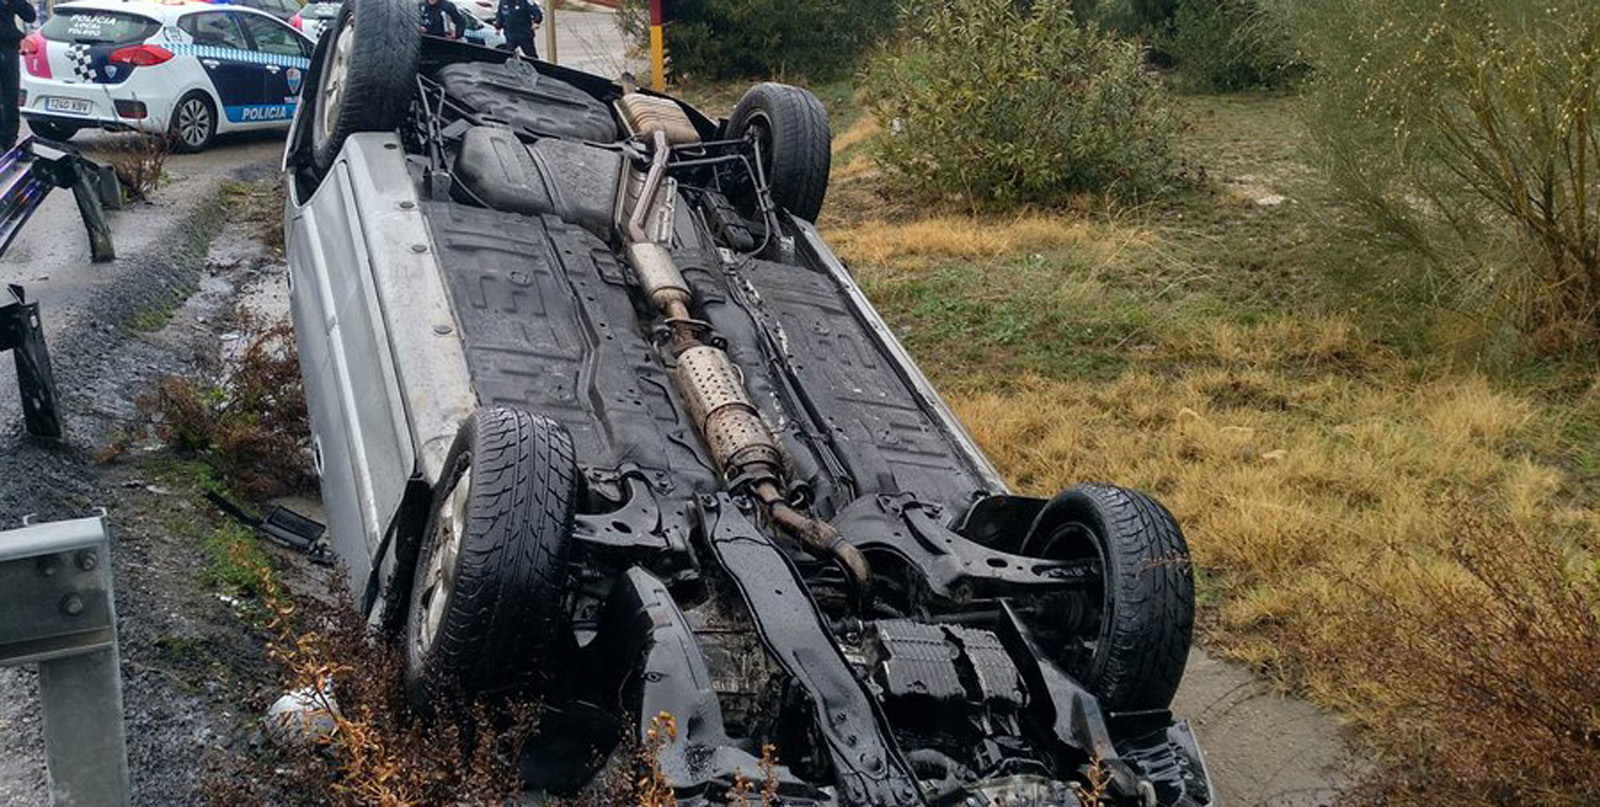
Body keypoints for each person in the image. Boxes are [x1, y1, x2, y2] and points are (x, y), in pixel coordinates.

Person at [0, 0, 36, 149]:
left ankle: (7, 142)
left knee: (10, 97)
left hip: (7, 49)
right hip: (7, 48)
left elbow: (29, 15)